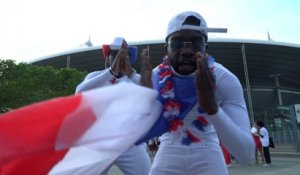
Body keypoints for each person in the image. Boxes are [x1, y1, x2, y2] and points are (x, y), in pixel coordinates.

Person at [139, 11, 255, 175]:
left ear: (206, 49)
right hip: (169, 148)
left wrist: (214, 110)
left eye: (196, 43)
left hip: (208, 149)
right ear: (166, 49)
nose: (186, 51)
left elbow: (246, 153)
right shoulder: (154, 77)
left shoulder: (223, 78)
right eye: (177, 43)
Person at [75, 37, 151, 175]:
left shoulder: (134, 79)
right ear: (107, 58)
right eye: (115, 54)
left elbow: (153, 92)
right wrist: (110, 72)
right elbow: (79, 92)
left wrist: (130, 72)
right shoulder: (96, 76)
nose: (119, 58)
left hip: (131, 144)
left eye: (124, 55)